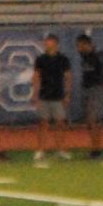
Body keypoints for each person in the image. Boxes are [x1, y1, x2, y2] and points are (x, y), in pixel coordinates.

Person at [76, 33, 103, 158]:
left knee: (93, 119)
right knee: (89, 122)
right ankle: (94, 148)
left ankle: (97, 149)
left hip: (97, 89)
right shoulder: (84, 55)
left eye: (80, 46)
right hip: (86, 88)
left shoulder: (99, 54)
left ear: (87, 44)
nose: (78, 48)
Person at [31, 33, 73, 161]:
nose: (46, 44)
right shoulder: (41, 59)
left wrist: (67, 94)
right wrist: (35, 94)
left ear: (55, 43)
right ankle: (40, 149)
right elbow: (36, 77)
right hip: (44, 95)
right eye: (46, 42)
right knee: (43, 123)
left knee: (60, 123)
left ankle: (60, 149)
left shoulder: (63, 59)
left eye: (49, 42)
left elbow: (68, 77)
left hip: (58, 95)